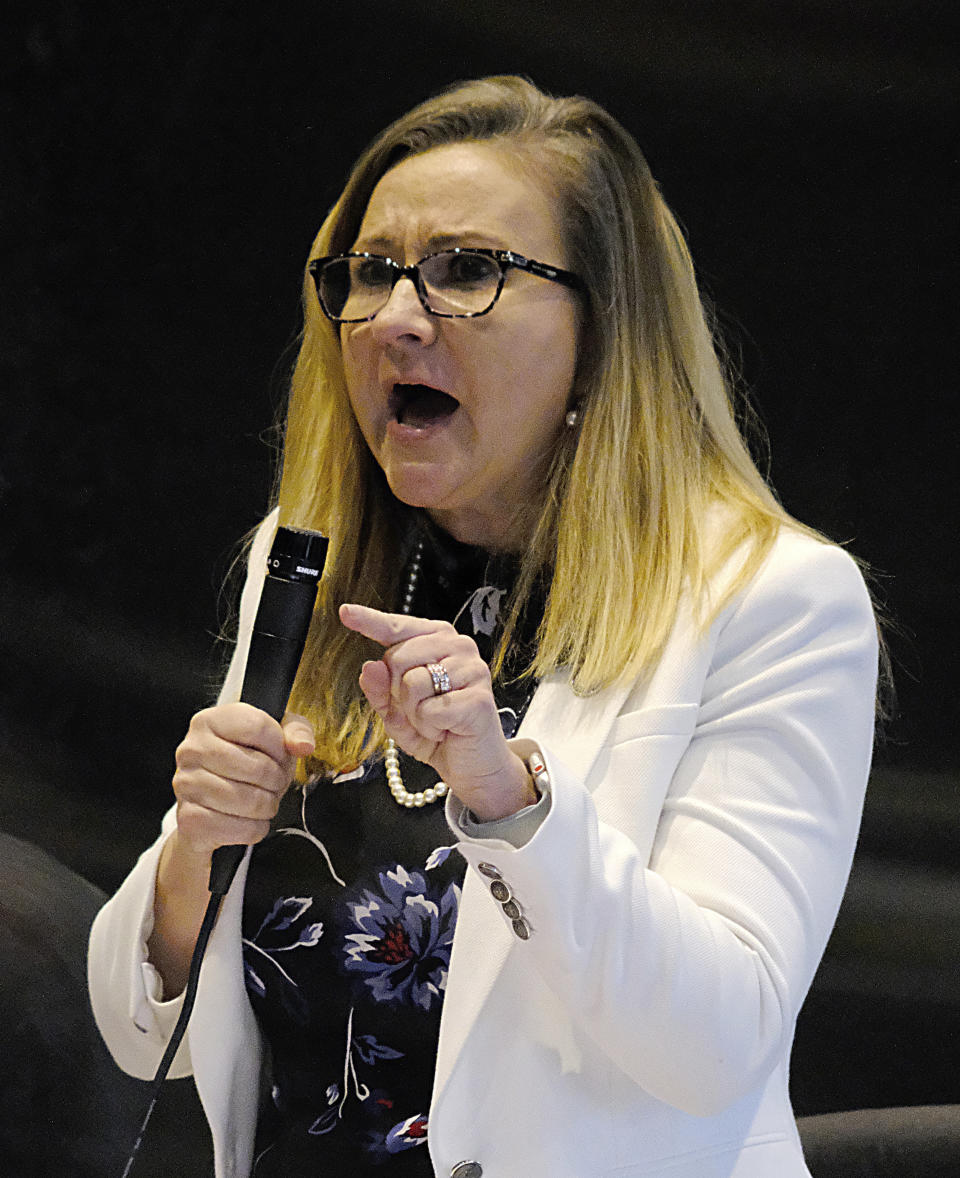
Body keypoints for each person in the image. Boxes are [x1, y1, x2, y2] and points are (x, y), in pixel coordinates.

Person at [88, 75, 879, 1178]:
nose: (398, 317)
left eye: (467, 271)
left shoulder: (769, 597)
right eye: (371, 273)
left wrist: (511, 802)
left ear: (602, 331)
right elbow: (141, 1029)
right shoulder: (312, 557)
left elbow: (719, 1043)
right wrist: (194, 848)